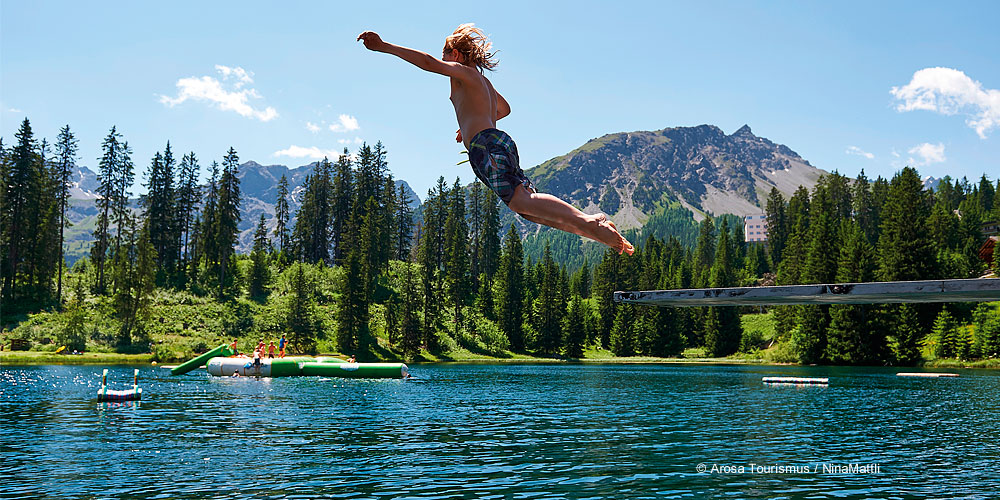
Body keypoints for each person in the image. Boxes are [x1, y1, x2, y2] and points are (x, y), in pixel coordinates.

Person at [357, 25, 634, 255]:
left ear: (455, 54)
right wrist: (470, 125)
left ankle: (590, 221)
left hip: (486, 146)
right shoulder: (484, 83)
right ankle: (596, 231)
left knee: (522, 201)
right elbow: (504, 109)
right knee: (526, 208)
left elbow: (428, 63)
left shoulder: (463, 72)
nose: (443, 61)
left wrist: (384, 47)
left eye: (446, 55)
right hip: (495, 141)